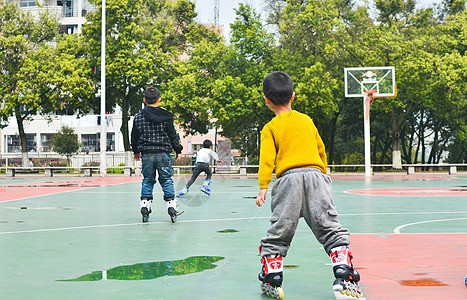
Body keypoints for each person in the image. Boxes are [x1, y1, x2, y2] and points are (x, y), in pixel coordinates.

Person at [255, 72, 361, 299]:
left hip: (287, 181)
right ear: (293, 96)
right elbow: (320, 148)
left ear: (266, 100)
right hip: (316, 177)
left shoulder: (270, 128)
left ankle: (272, 272)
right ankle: (343, 269)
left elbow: (266, 159)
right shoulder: (306, 120)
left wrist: (263, 185)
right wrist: (323, 173)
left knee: (281, 228)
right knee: (328, 225)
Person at [131, 87, 183, 223]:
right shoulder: (167, 117)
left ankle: (145, 207)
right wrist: (178, 149)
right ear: (159, 99)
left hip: (147, 154)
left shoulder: (138, 117)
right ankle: (171, 206)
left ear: (144, 100)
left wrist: (136, 151)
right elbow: (173, 135)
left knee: (148, 180)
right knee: (166, 180)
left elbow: (134, 136)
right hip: (163, 153)